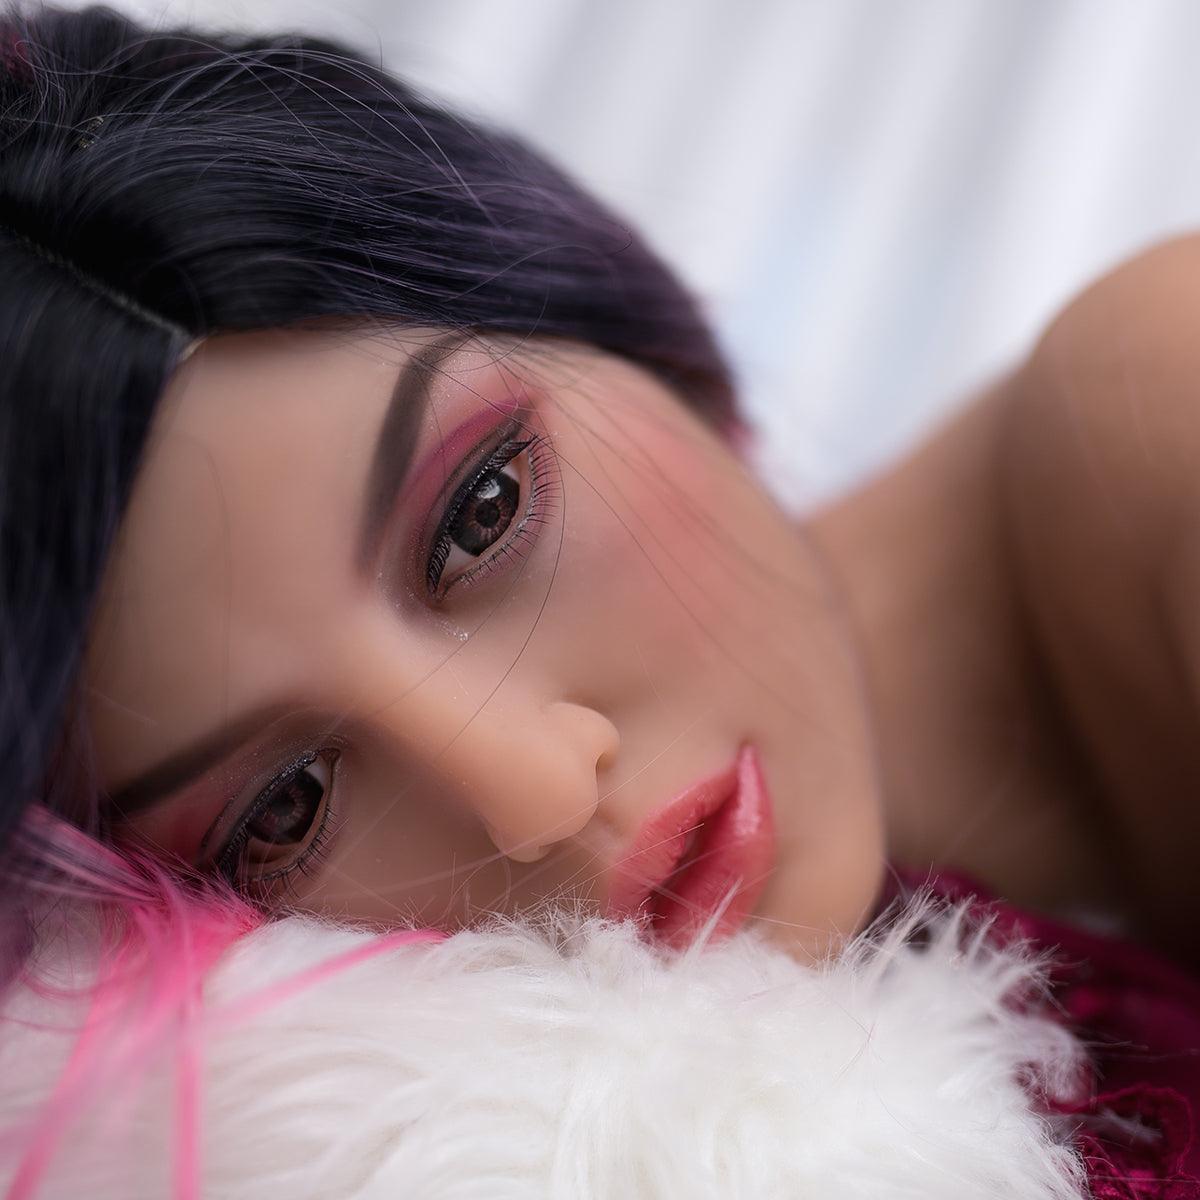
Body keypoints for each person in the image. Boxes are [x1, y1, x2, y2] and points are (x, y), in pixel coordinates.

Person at [3, 5, 1200, 1195]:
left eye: (483, 512)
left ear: (604, 320)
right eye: (288, 808)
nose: (541, 788)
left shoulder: (1159, 403)